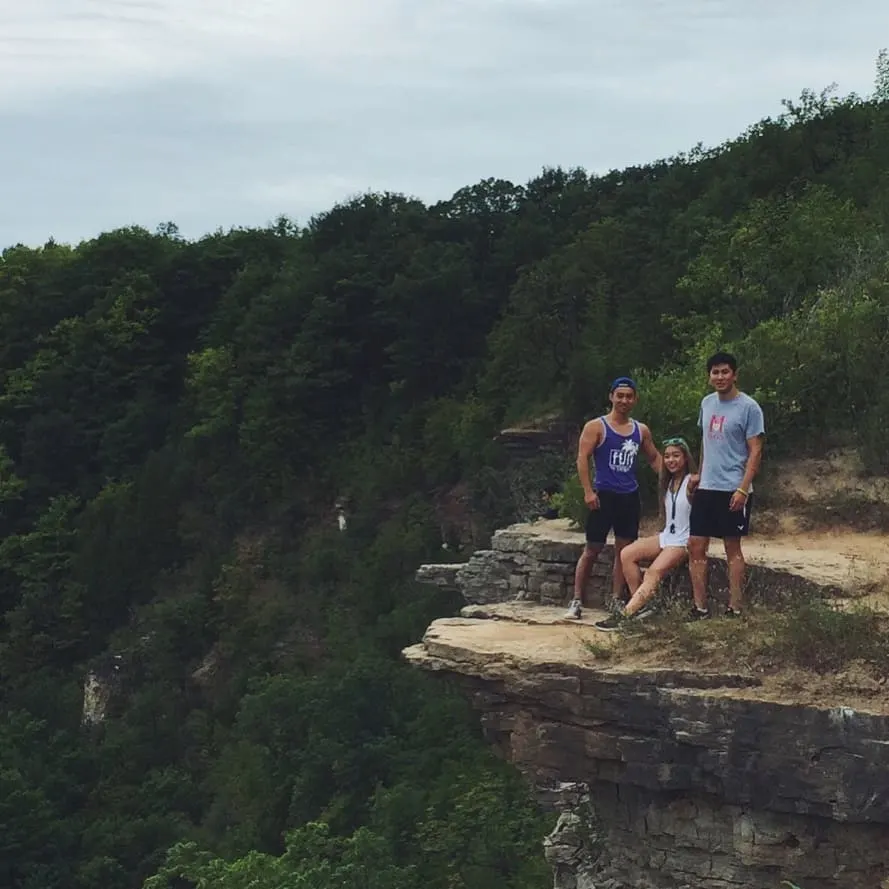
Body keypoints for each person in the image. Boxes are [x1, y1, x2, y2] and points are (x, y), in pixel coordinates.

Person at [564, 377, 661, 620]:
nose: (624, 401)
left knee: (624, 551)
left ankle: (616, 599)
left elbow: (654, 459)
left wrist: (675, 480)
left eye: (629, 396)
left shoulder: (640, 430)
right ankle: (577, 599)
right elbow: (582, 458)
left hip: (628, 496)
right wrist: (587, 491)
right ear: (611, 397)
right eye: (620, 396)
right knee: (592, 548)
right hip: (603, 494)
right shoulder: (596, 427)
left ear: (635, 399)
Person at [686, 351, 765, 620]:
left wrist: (743, 488)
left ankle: (735, 606)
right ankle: (699, 607)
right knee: (696, 544)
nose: (720, 377)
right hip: (707, 486)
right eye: (715, 372)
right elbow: (705, 440)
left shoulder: (749, 408)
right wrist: (698, 473)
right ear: (709, 377)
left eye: (725, 372)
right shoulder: (707, 403)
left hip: (733, 487)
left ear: (734, 374)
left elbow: (755, 450)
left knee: (732, 547)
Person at [593, 437, 697, 631]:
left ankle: (626, 614)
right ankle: (642, 606)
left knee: (653, 572)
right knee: (627, 553)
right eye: (667, 456)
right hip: (668, 535)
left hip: (683, 540)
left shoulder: (692, 482)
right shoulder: (668, 481)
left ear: (685, 457)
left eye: (676, 455)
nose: (671, 460)